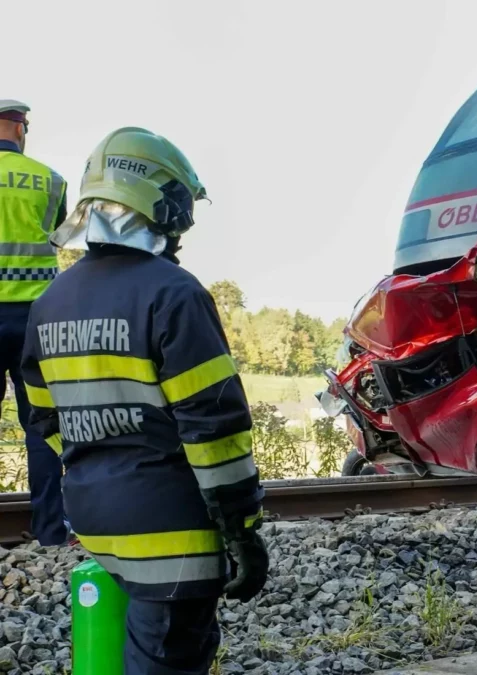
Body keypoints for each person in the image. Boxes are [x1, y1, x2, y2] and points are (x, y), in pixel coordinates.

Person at [20, 127, 269, 673]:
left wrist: (104, 463)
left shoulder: (49, 303)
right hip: (171, 531)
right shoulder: (175, 294)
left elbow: (43, 417)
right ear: (160, 203)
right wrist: (242, 531)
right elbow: (215, 431)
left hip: (94, 517)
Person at [0, 99, 69, 546]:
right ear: (20, 129)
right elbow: (57, 234)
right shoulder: (51, 180)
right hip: (36, 320)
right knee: (42, 425)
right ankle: (49, 531)